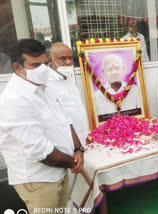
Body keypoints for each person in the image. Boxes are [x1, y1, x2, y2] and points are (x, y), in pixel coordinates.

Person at [0, 39, 84, 213]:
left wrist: (77, 149)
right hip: (38, 179)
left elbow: (65, 119)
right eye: (35, 65)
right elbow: (39, 150)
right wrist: (72, 162)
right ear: (17, 68)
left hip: (60, 169)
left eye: (45, 63)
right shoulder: (14, 99)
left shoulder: (44, 86)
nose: (43, 70)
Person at [46, 42, 89, 199]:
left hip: (82, 140)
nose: (69, 62)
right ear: (51, 59)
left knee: (82, 186)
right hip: (67, 145)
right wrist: (76, 147)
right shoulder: (46, 83)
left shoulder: (68, 77)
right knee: (69, 190)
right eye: (63, 58)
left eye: (71, 57)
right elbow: (60, 119)